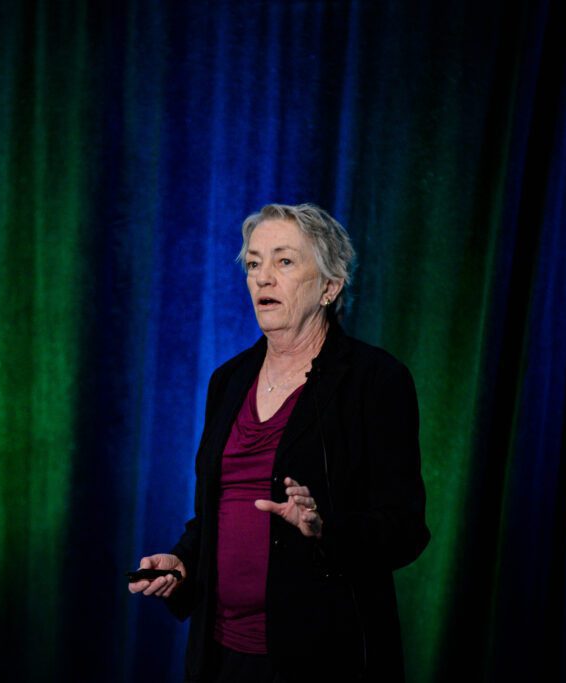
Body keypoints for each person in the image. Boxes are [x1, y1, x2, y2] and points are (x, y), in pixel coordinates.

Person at [130, 204, 429, 681]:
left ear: (329, 287)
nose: (262, 278)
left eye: (284, 261)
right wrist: (184, 561)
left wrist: (323, 528)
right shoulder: (228, 381)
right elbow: (216, 513)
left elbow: (406, 530)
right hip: (222, 653)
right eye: (253, 263)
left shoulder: (376, 381)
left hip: (322, 655)